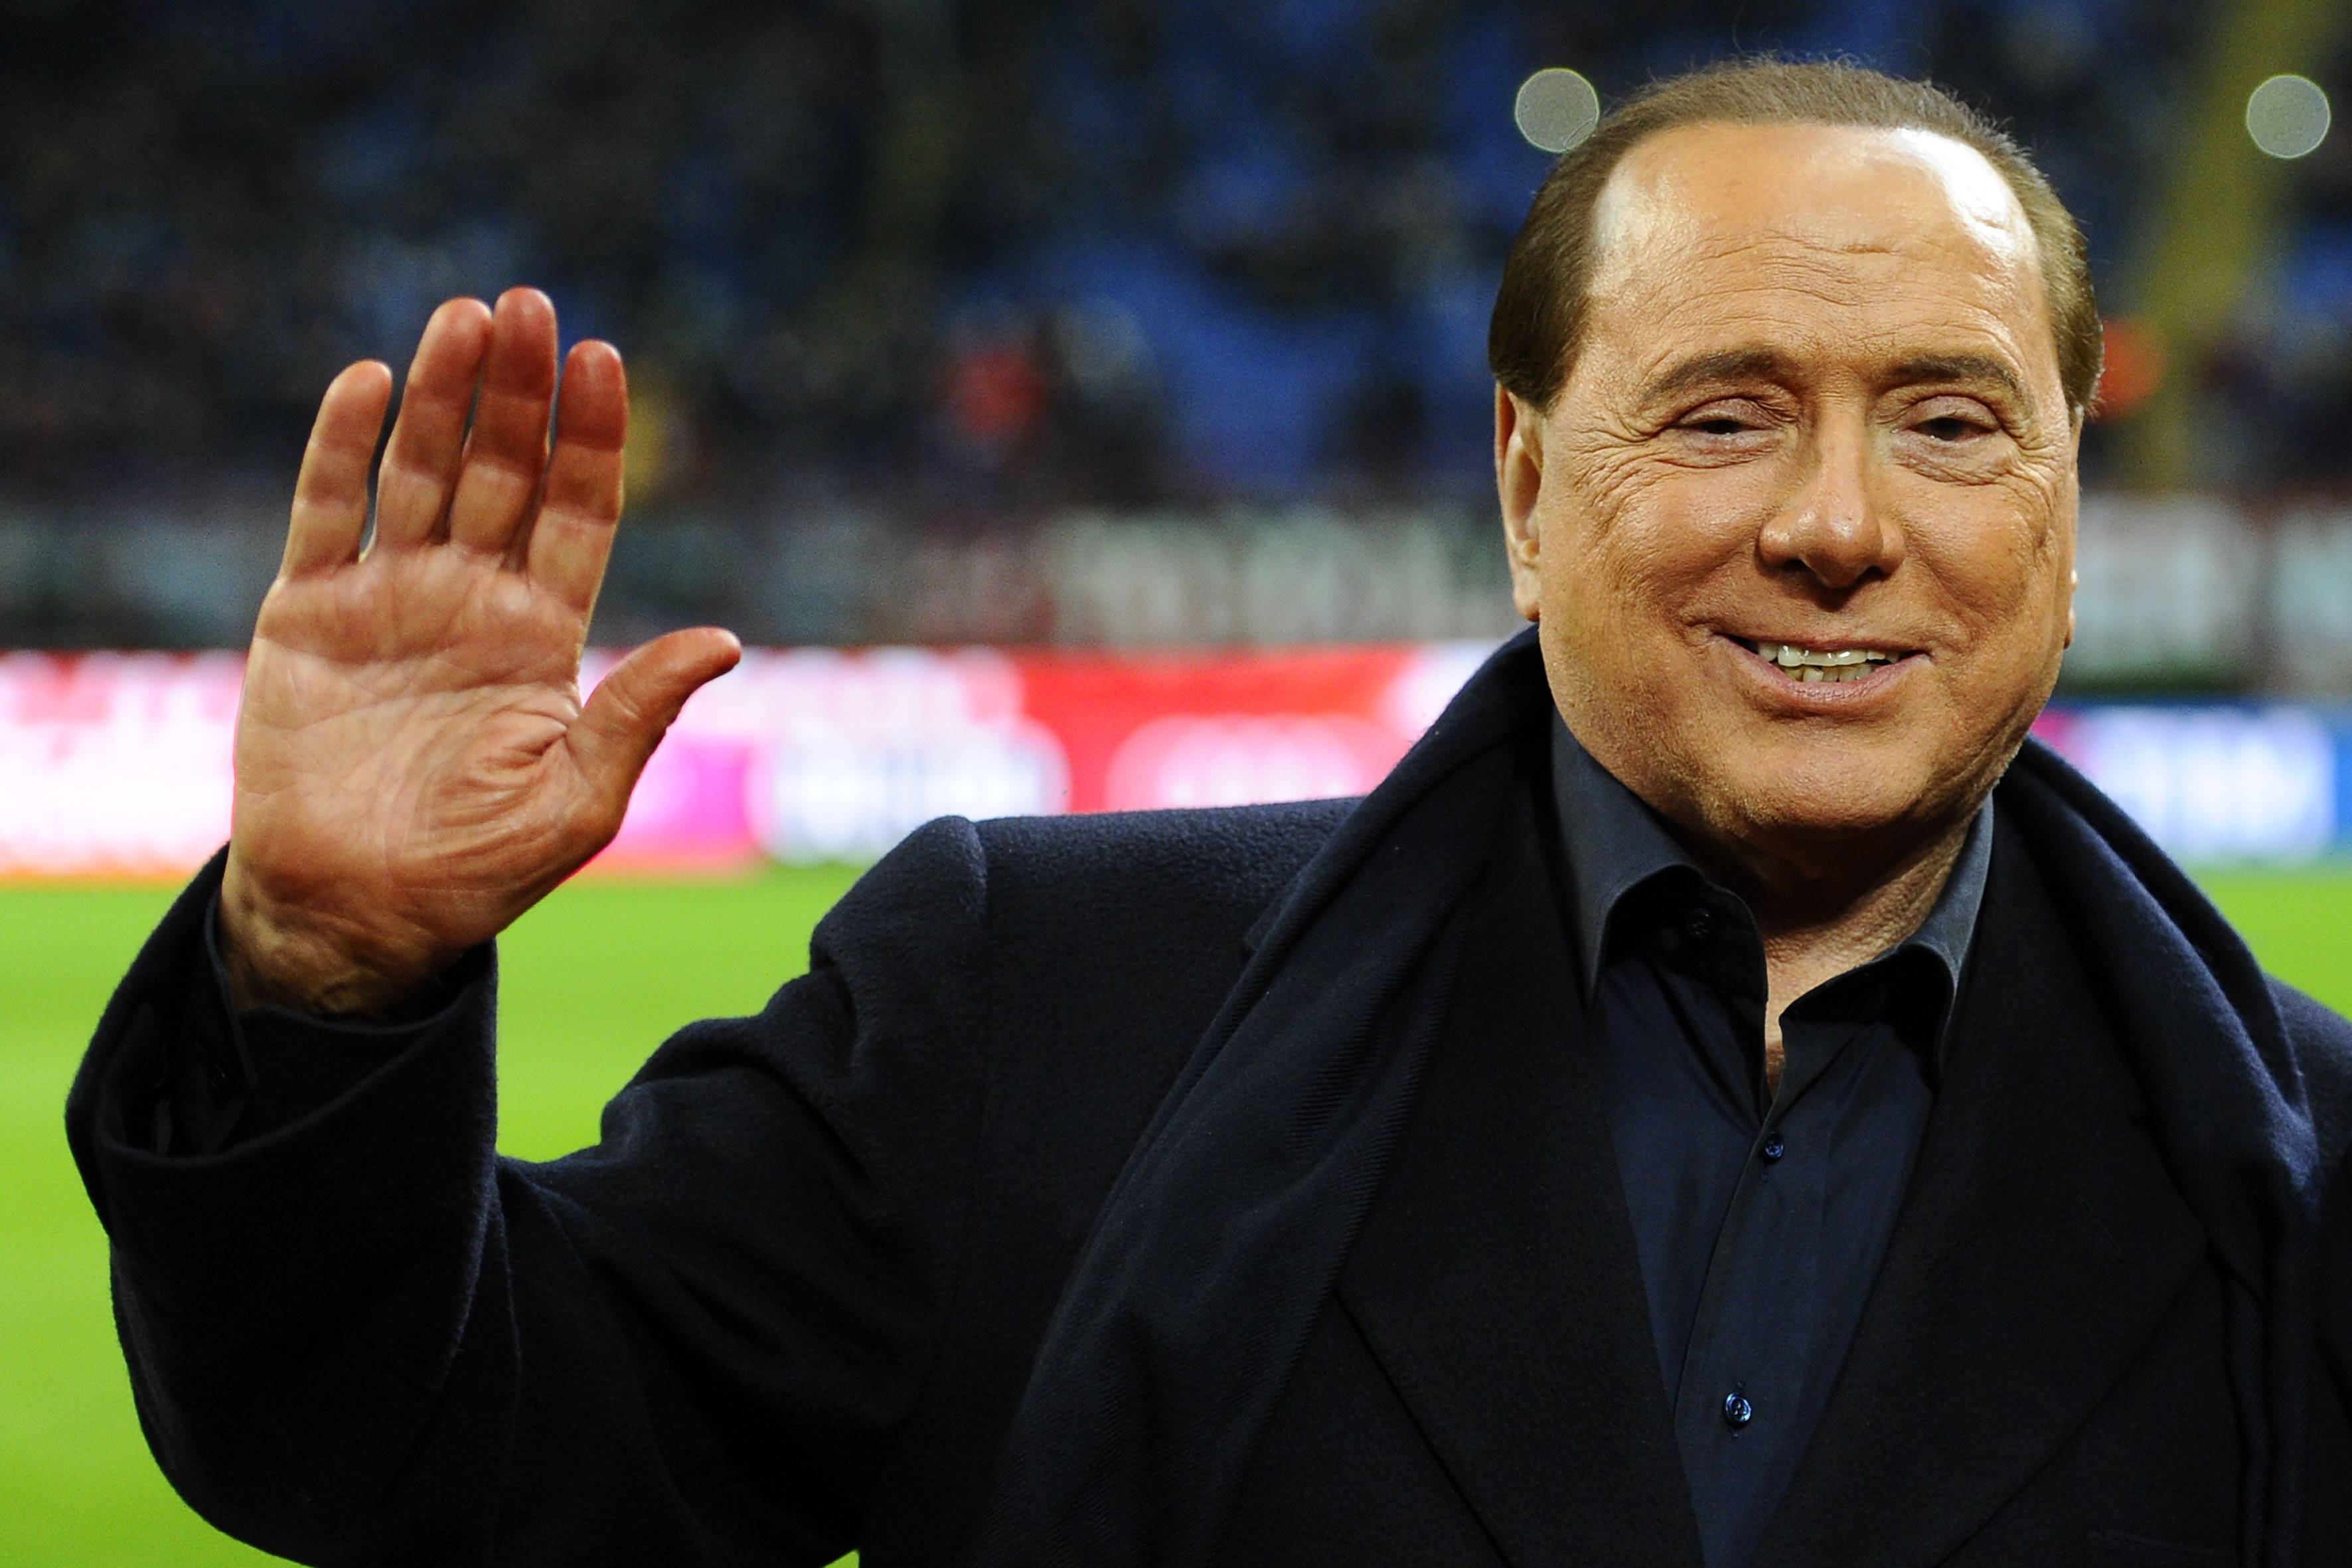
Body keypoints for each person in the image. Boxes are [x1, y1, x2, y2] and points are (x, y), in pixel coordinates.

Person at [66, 59, 2352, 1568]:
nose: (1838, 525)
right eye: (1725, 415)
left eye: (1949, 423)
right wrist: (329, 988)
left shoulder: (2311, 1171)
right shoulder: (1031, 1006)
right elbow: (428, 1460)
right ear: (1528, 486)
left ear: (2069, 508)